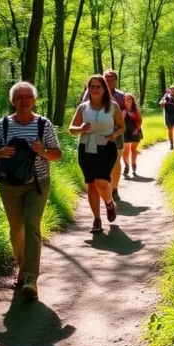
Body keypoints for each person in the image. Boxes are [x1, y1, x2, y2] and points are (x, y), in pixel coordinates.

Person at [0, 81, 63, 300]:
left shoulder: (43, 125)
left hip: (38, 182)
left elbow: (57, 153)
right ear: (13, 101)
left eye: (28, 97)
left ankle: (30, 278)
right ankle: (20, 265)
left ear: (34, 100)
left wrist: (43, 151)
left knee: (32, 224)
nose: (24, 101)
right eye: (19, 97)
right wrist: (0, 152)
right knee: (16, 228)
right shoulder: (4, 125)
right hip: (9, 184)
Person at [70, 75, 126, 234]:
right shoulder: (83, 108)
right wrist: (80, 128)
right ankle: (96, 219)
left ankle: (109, 203)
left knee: (101, 182)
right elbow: (71, 129)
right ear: (88, 89)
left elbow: (122, 127)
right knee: (91, 185)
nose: (94, 90)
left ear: (104, 89)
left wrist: (113, 135)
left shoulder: (113, 106)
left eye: (98, 87)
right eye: (92, 87)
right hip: (86, 148)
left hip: (107, 148)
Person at [82, 70, 126, 202]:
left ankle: (114, 189)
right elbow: (83, 108)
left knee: (117, 158)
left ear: (116, 80)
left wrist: (116, 129)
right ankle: (101, 185)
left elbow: (124, 112)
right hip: (94, 134)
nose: (109, 81)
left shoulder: (120, 95)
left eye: (112, 79)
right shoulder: (90, 92)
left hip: (115, 131)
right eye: (107, 78)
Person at [121, 93, 143, 176]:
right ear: (124, 100)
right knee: (125, 150)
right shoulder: (122, 110)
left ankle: (133, 163)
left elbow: (140, 120)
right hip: (125, 132)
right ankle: (126, 165)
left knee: (134, 149)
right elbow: (121, 122)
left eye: (129, 98)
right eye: (126, 98)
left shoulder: (136, 110)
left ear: (132, 100)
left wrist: (137, 129)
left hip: (135, 131)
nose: (128, 99)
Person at [158, 85, 174, 150]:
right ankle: (171, 144)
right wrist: (163, 103)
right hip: (168, 115)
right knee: (170, 129)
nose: (172, 90)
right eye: (171, 89)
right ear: (169, 90)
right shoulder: (166, 96)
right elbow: (161, 104)